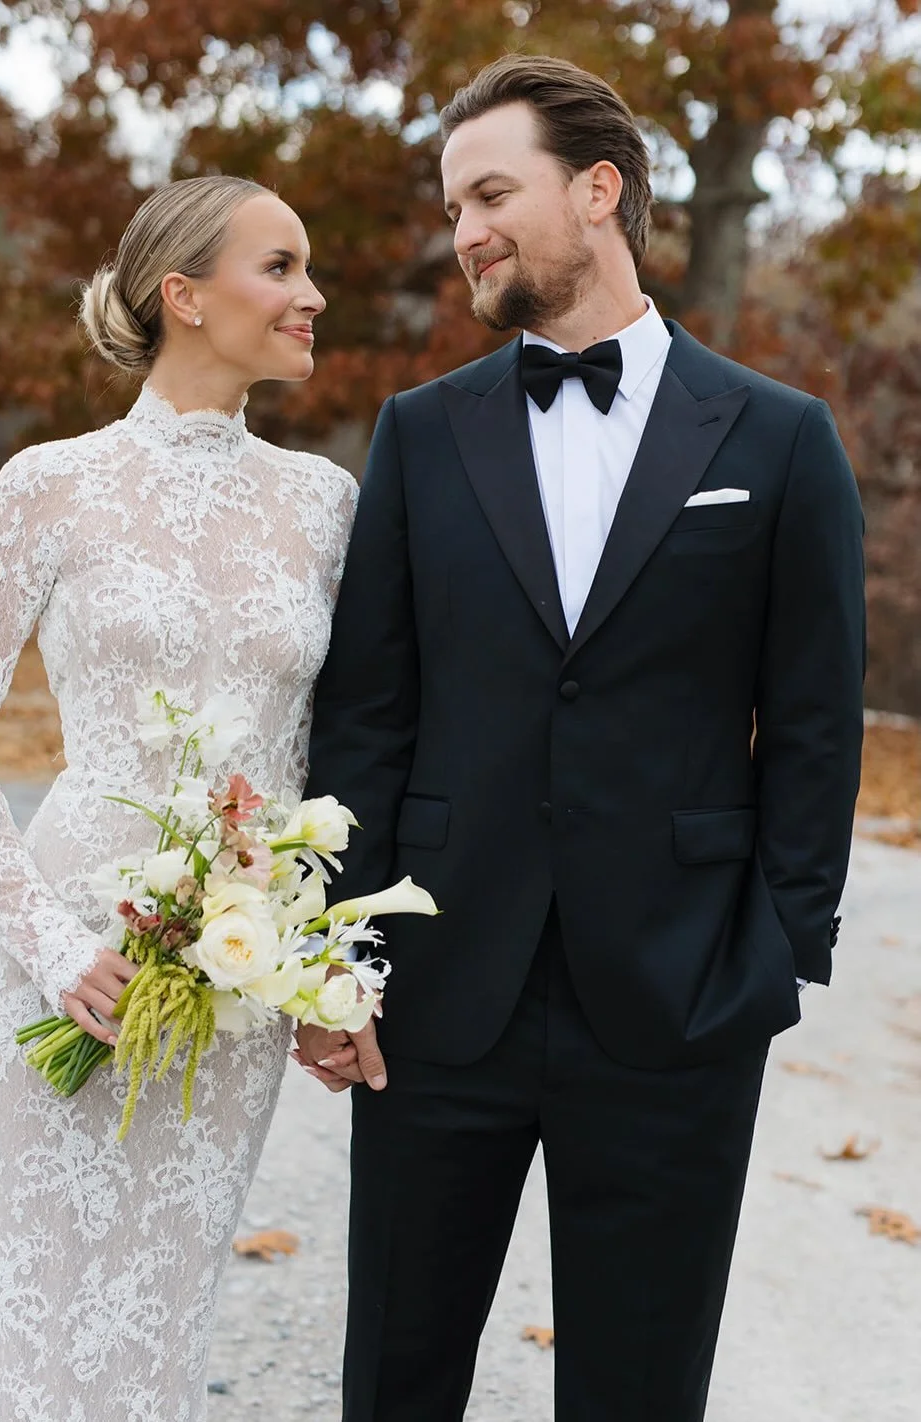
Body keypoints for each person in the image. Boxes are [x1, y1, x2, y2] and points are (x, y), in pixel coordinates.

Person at [295, 54, 866, 1421]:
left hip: (674, 1002)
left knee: (637, 1391)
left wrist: (772, 951)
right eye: (451, 207)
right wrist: (335, 952)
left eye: (490, 191)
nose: (464, 229)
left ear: (596, 190)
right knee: (395, 1375)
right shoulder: (420, 436)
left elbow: (809, 717)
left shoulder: (780, 440)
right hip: (439, 988)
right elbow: (368, 711)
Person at [0, 176, 356, 1420]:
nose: (311, 295)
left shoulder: (326, 505)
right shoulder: (48, 483)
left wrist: (323, 969)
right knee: (13, 1313)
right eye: (280, 267)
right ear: (185, 296)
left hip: (233, 979)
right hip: (64, 961)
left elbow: (326, 764)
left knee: (153, 1326)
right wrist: (48, 945)